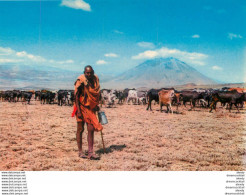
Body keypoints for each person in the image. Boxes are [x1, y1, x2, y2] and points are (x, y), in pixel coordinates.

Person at [72, 65, 103, 160]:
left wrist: (96, 105)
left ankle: (90, 152)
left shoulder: (95, 80)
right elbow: (76, 97)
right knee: (80, 129)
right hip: (81, 107)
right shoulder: (81, 81)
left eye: (90, 72)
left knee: (91, 128)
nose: (89, 74)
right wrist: (79, 111)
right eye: (87, 73)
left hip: (90, 108)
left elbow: (96, 95)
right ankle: (80, 152)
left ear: (93, 72)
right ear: (84, 72)